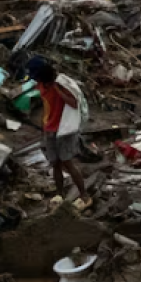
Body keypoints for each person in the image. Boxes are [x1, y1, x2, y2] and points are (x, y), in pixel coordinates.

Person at [29, 59, 88, 204]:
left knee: (67, 162)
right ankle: (59, 194)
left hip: (64, 129)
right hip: (49, 128)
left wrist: (58, 90)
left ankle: (84, 195)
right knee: (55, 162)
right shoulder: (42, 85)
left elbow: (74, 103)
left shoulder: (61, 85)